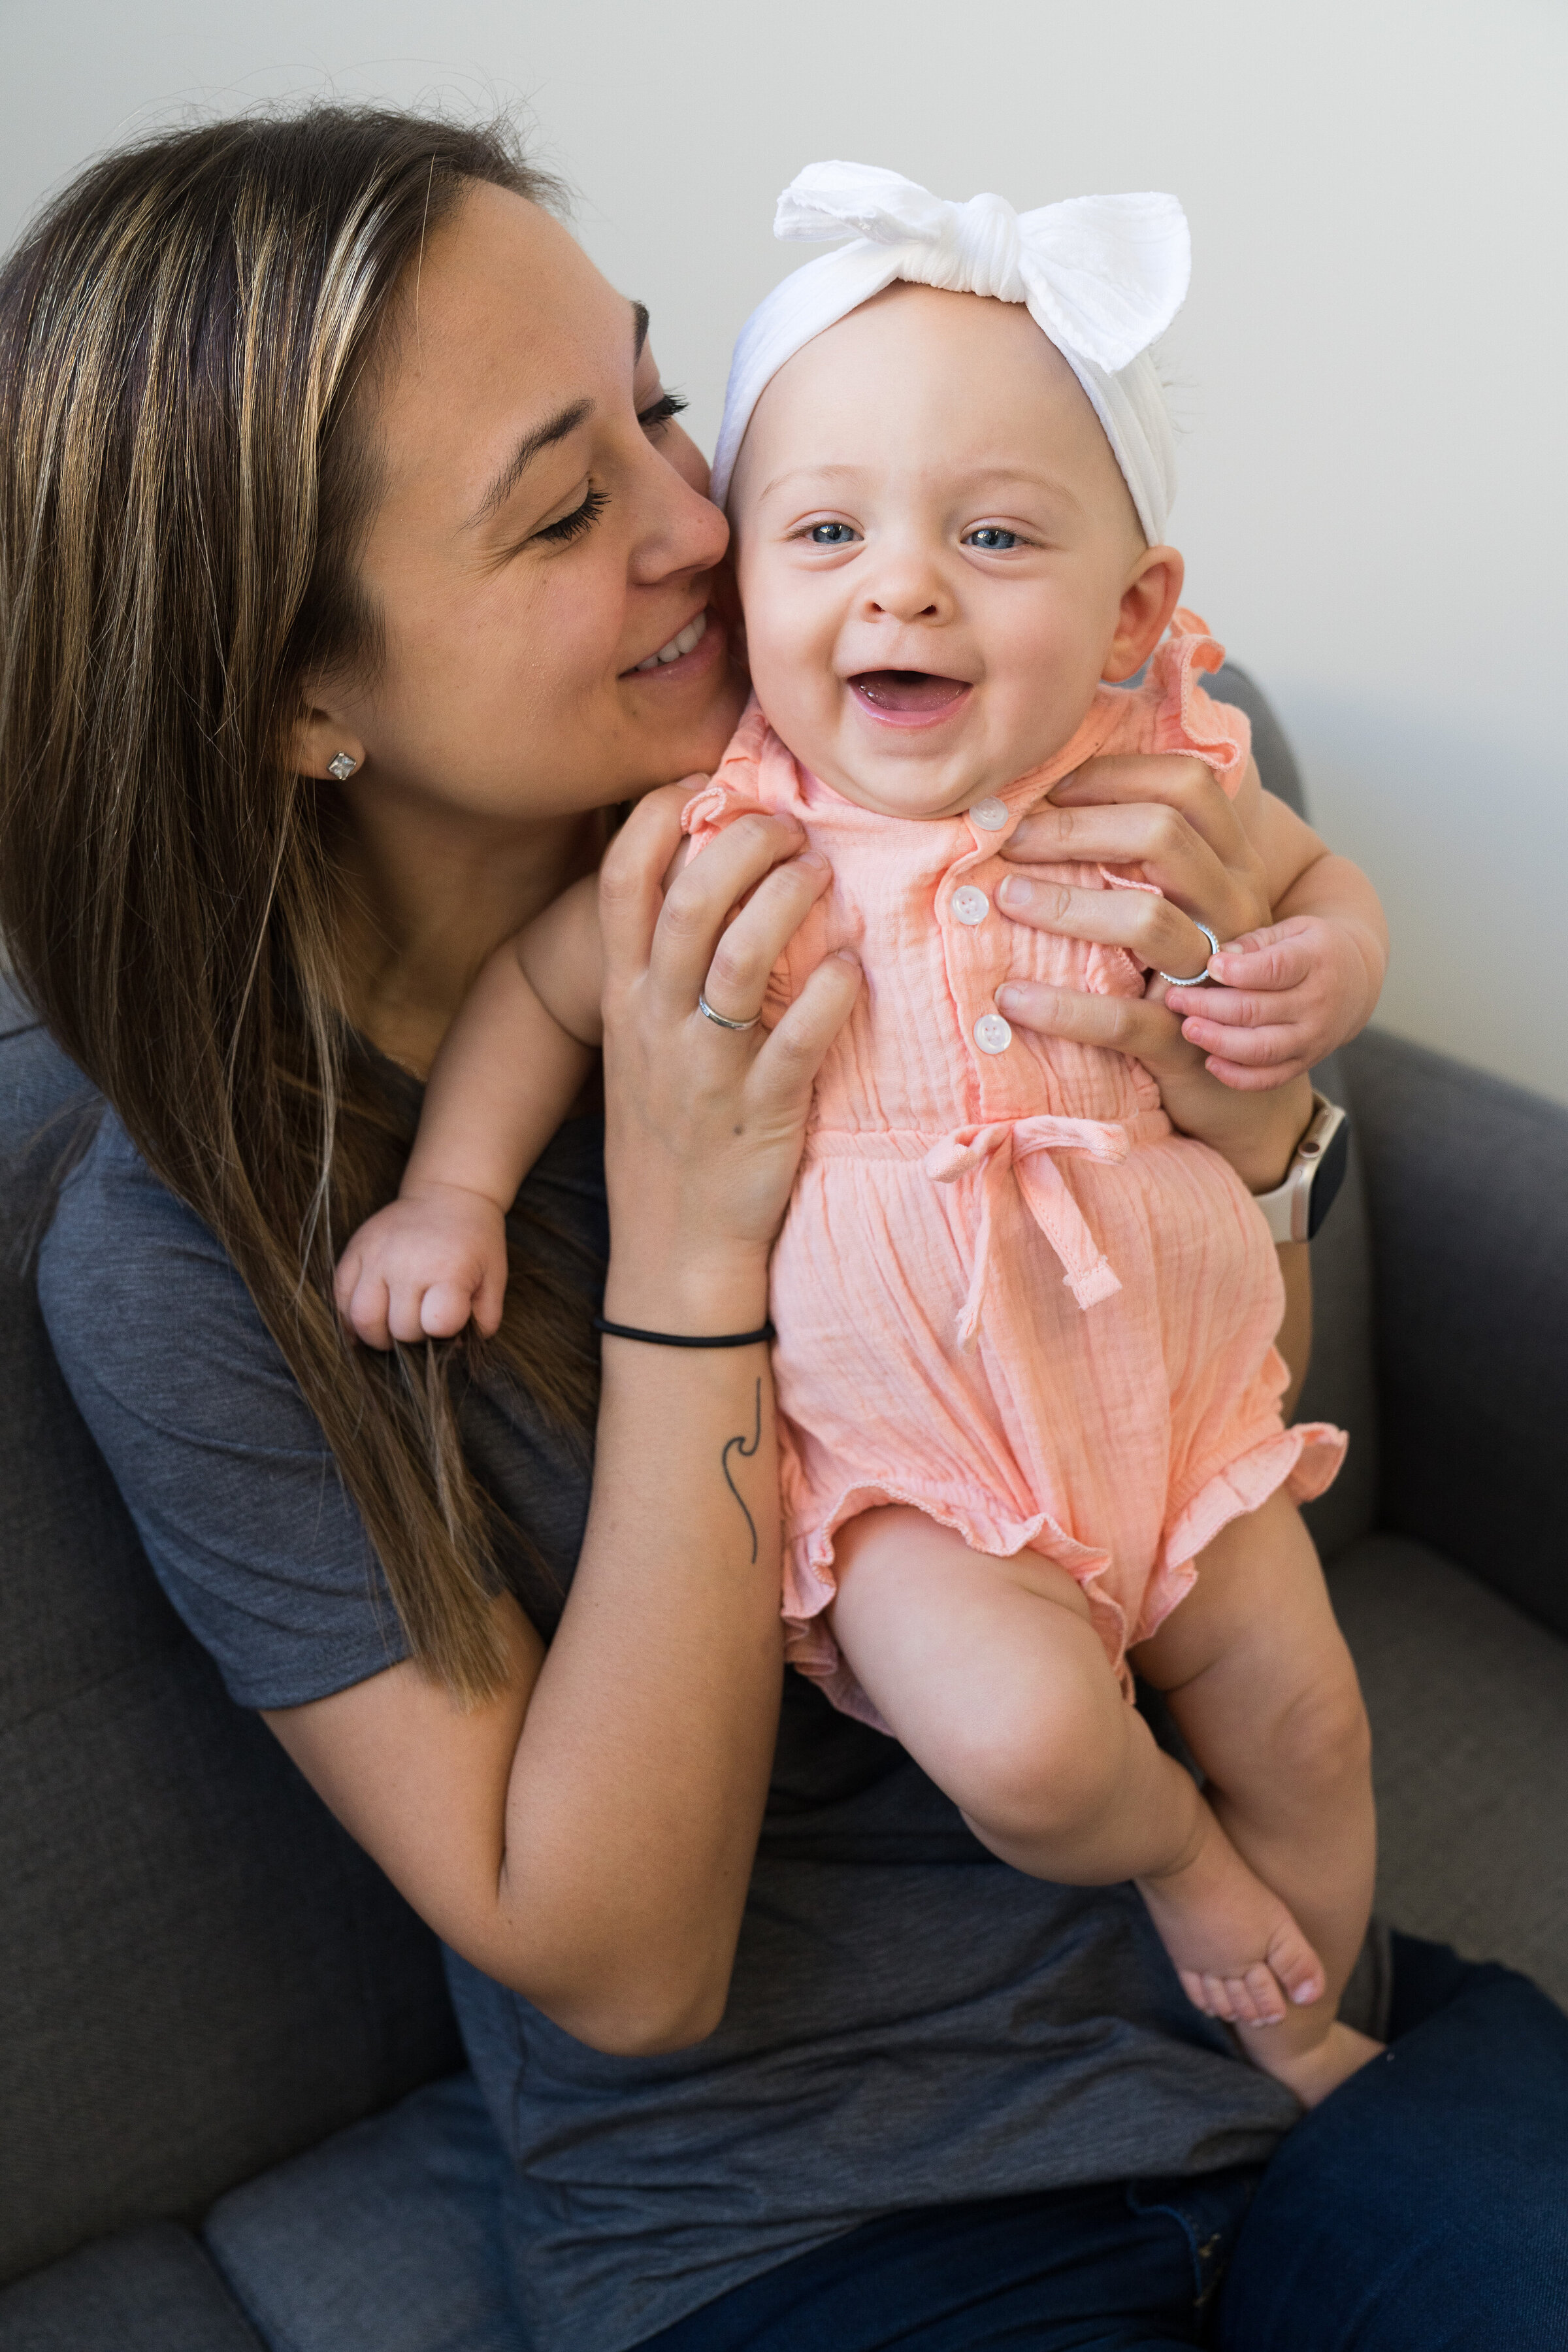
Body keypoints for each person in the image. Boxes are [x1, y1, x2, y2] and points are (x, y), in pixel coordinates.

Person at [3, 103, 1564, 2352]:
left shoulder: (956, 796)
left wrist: (1253, 1110)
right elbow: (626, 1967)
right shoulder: (183, 1270)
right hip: (818, 2231)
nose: (702, 520)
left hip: (1292, 2035)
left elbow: (1191, 1420)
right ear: (299, 700)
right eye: (564, 503)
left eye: (659, 406)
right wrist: (688, 1253)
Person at [332, 166, 1382, 2103]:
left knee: (1314, 1717)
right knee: (1035, 1747)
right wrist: (454, 1193)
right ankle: (1187, 1868)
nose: (897, 584)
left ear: (1133, 601)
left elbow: (1316, 906)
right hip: (916, 1470)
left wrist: (1299, 1020)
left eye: (991, 534)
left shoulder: (1161, 768)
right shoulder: (728, 842)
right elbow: (549, 996)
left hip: (1185, 1416)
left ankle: (1314, 2034)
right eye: (821, 528)